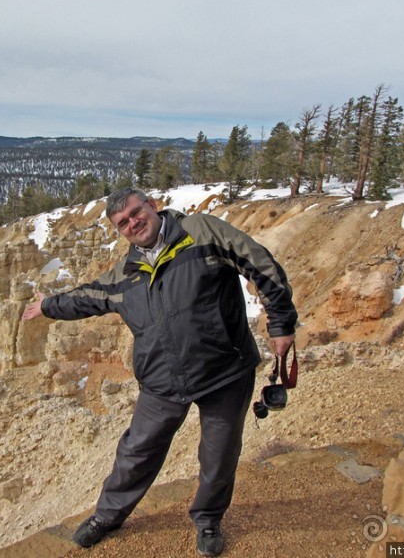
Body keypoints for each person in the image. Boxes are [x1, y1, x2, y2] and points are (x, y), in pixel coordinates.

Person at [22, 187, 297, 556]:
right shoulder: (126, 273)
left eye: (137, 212)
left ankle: (208, 520)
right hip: (162, 382)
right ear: (119, 231)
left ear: (152, 206)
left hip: (225, 372)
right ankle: (107, 516)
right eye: (124, 223)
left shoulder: (202, 232)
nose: (134, 223)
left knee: (219, 454)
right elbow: (86, 298)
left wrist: (281, 324)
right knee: (137, 451)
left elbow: (259, 262)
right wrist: (49, 305)